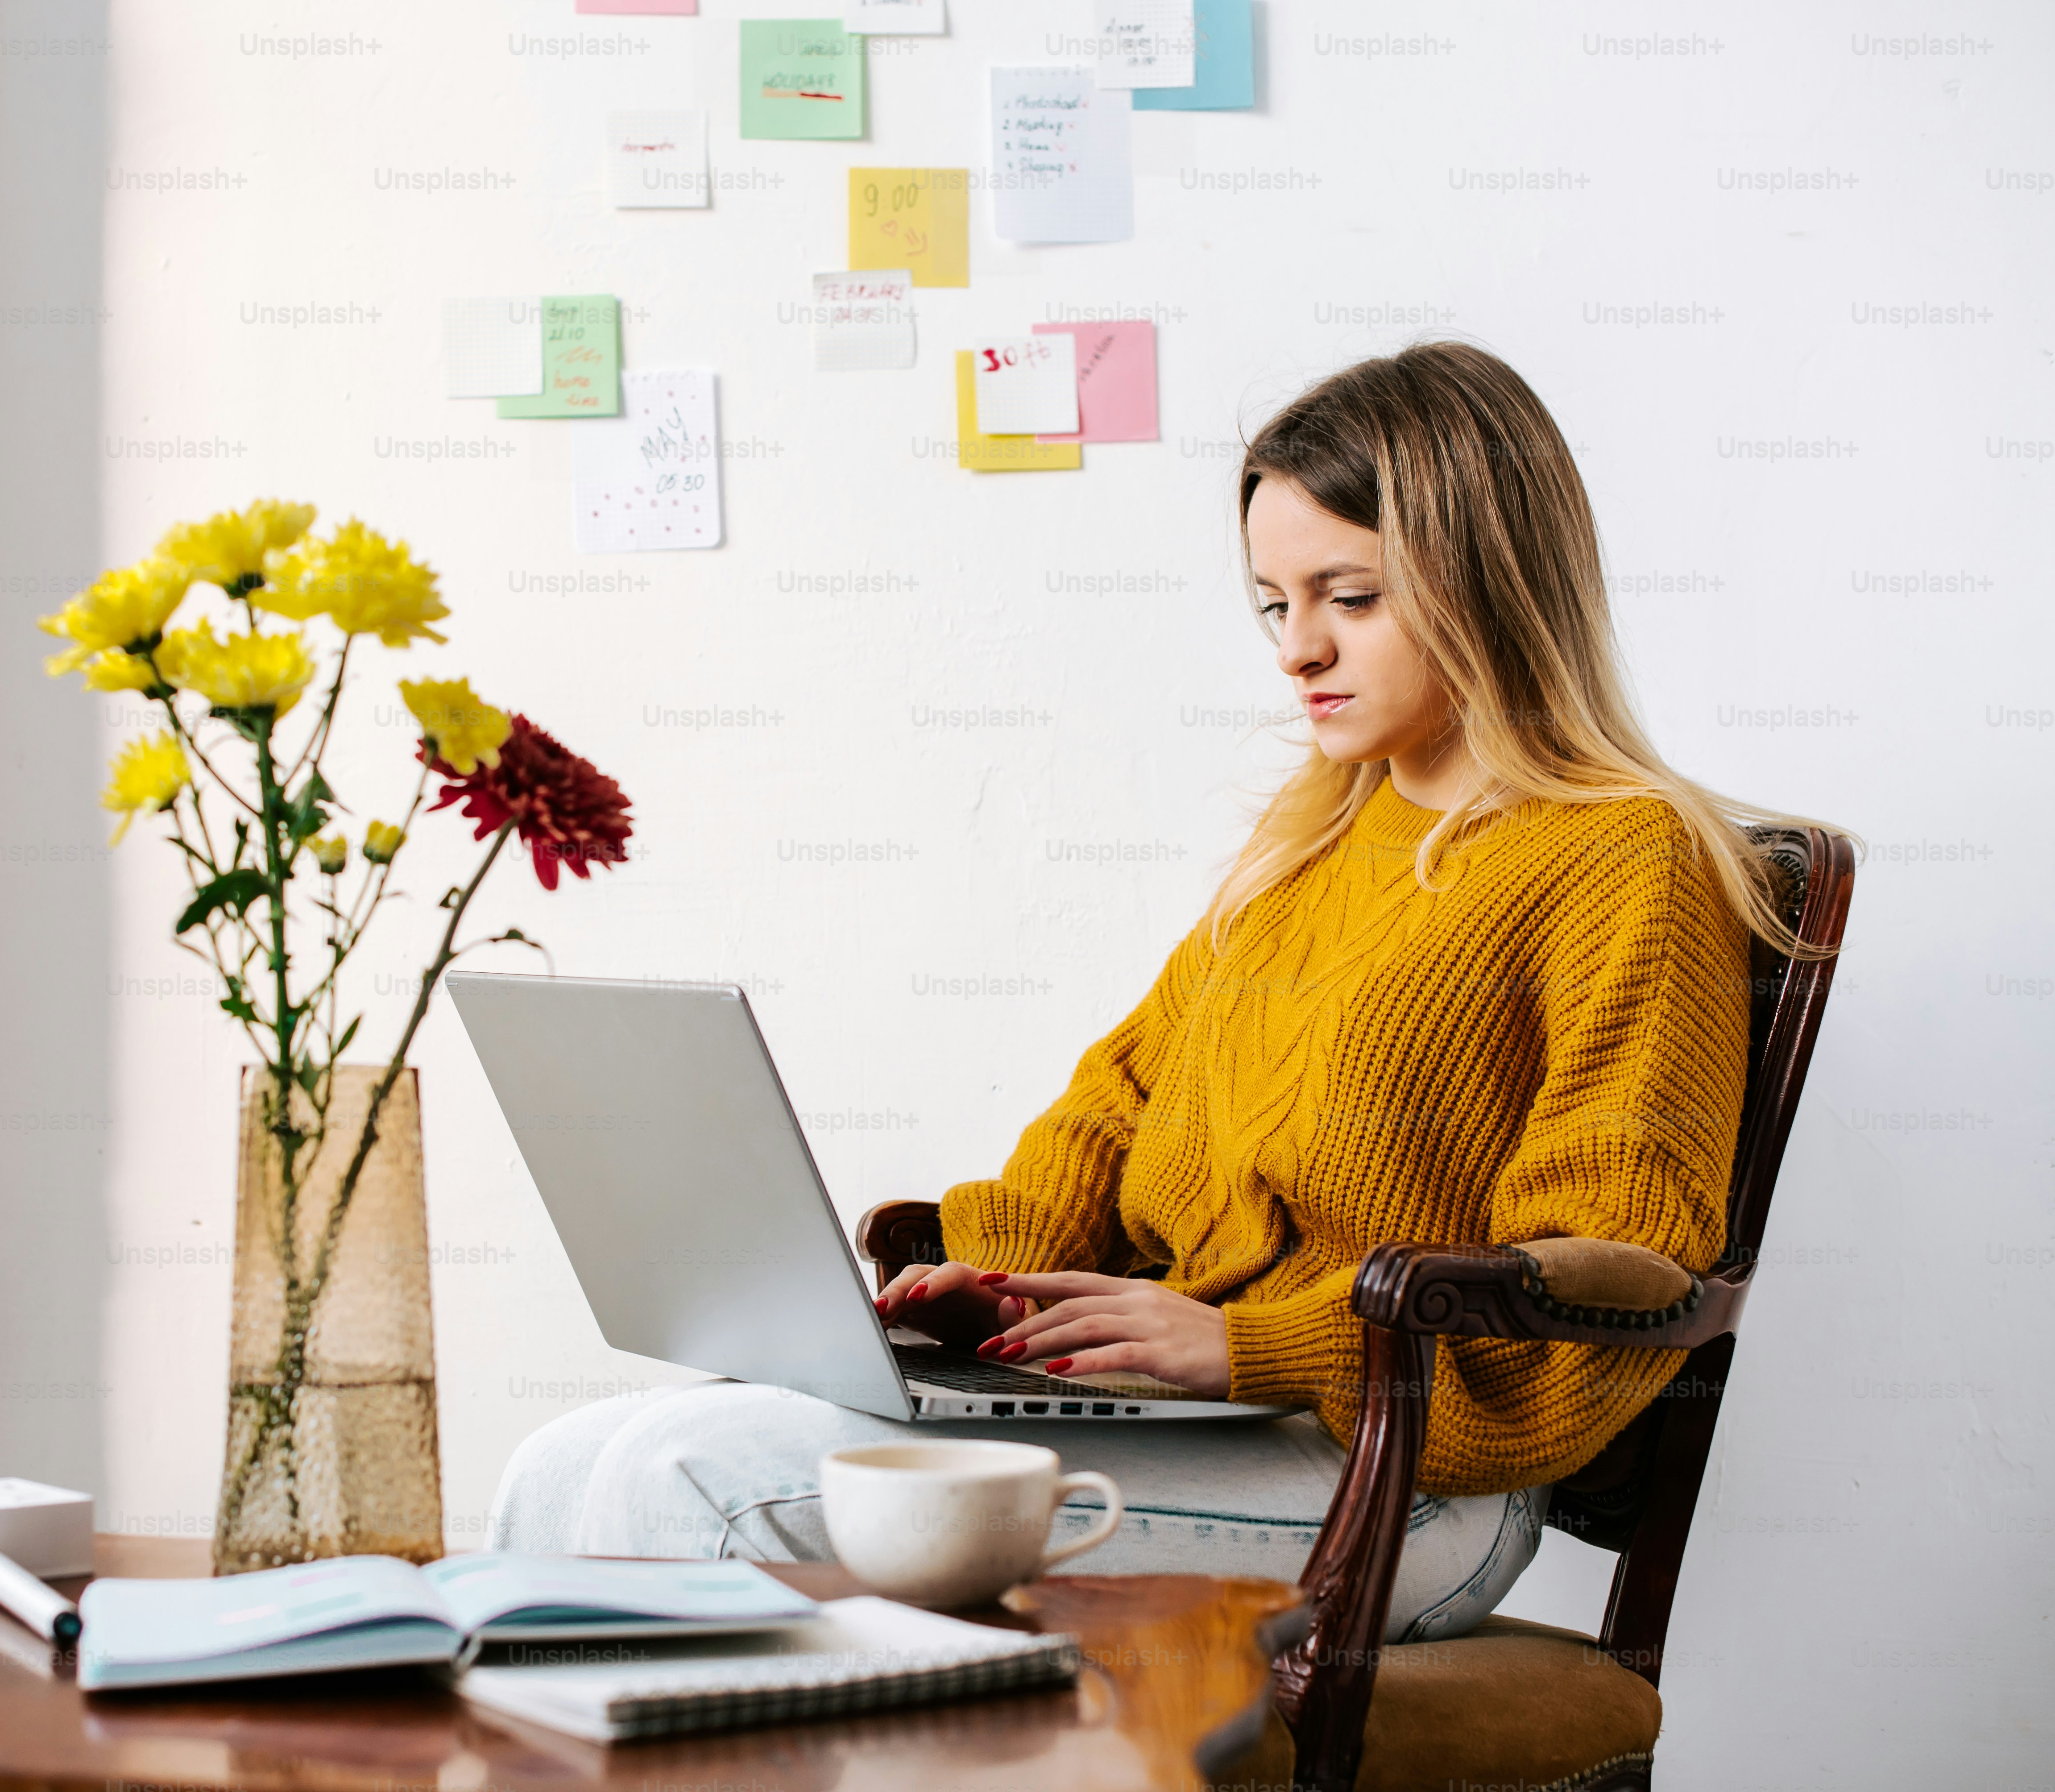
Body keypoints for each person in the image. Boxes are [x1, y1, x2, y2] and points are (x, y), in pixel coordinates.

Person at [487, 340, 1833, 1640]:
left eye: (1350, 598)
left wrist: (1251, 1349)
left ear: (1489, 579)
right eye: (1274, 603)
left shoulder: (1622, 857)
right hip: (1222, 1440)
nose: (1298, 647)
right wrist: (993, 1281)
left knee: (696, 1483)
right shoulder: (1303, 851)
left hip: (1411, 1483)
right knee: (565, 1466)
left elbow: (1618, 1258)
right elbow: (1113, 1116)